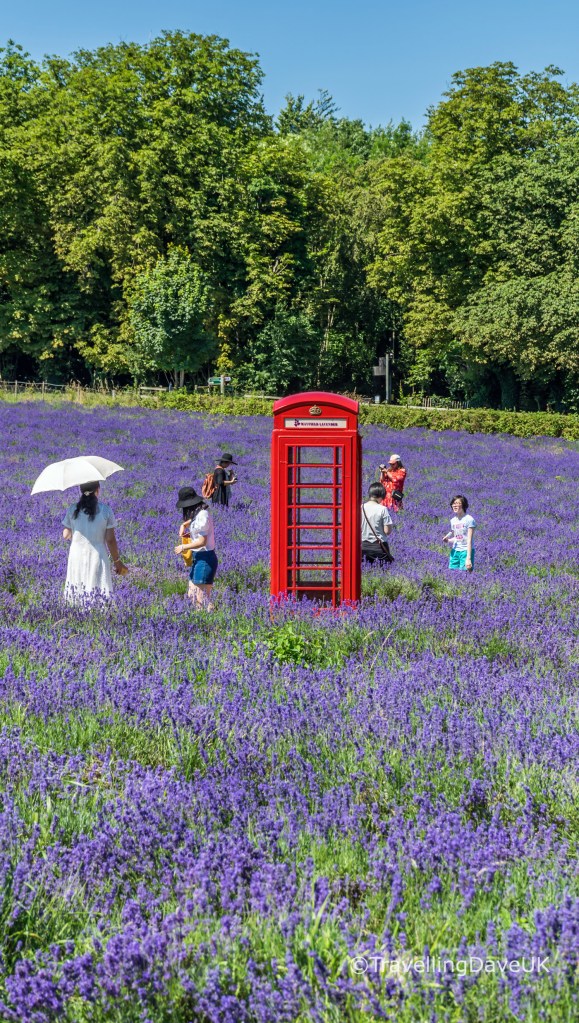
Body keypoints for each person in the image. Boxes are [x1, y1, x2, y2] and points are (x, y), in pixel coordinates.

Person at [62, 481, 127, 600]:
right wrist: (117, 561)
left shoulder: (72, 509)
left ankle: (75, 615)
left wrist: (79, 535)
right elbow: (110, 540)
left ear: (81, 491)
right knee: (99, 590)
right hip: (97, 555)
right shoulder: (105, 510)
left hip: (76, 555)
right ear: (98, 490)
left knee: (76, 587)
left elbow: (66, 535)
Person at [174, 486, 218, 609]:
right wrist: (184, 525)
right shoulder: (197, 514)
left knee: (201, 600)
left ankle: (213, 624)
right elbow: (191, 522)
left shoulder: (202, 515)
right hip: (198, 558)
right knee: (192, 597)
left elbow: (202, 542)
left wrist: (184, 547)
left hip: (205, 559)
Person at [361, 482, 393, 564]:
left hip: (362, 546)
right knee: (384, 571)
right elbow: (387, 531)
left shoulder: (360, 507)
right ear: (381, 495)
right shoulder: (382, 509)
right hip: (379, 547)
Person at [443, 495, 476, 571]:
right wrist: (448, 540)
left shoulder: (469, 520)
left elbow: (469, 540)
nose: (455, 505)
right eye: (453, 503)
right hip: (455, 551)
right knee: (452, 573)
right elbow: (457, 537)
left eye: (458, 503)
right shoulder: (453, 520)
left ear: (463, 505)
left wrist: (468, 558)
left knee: (466, 573)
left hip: (465, 551)